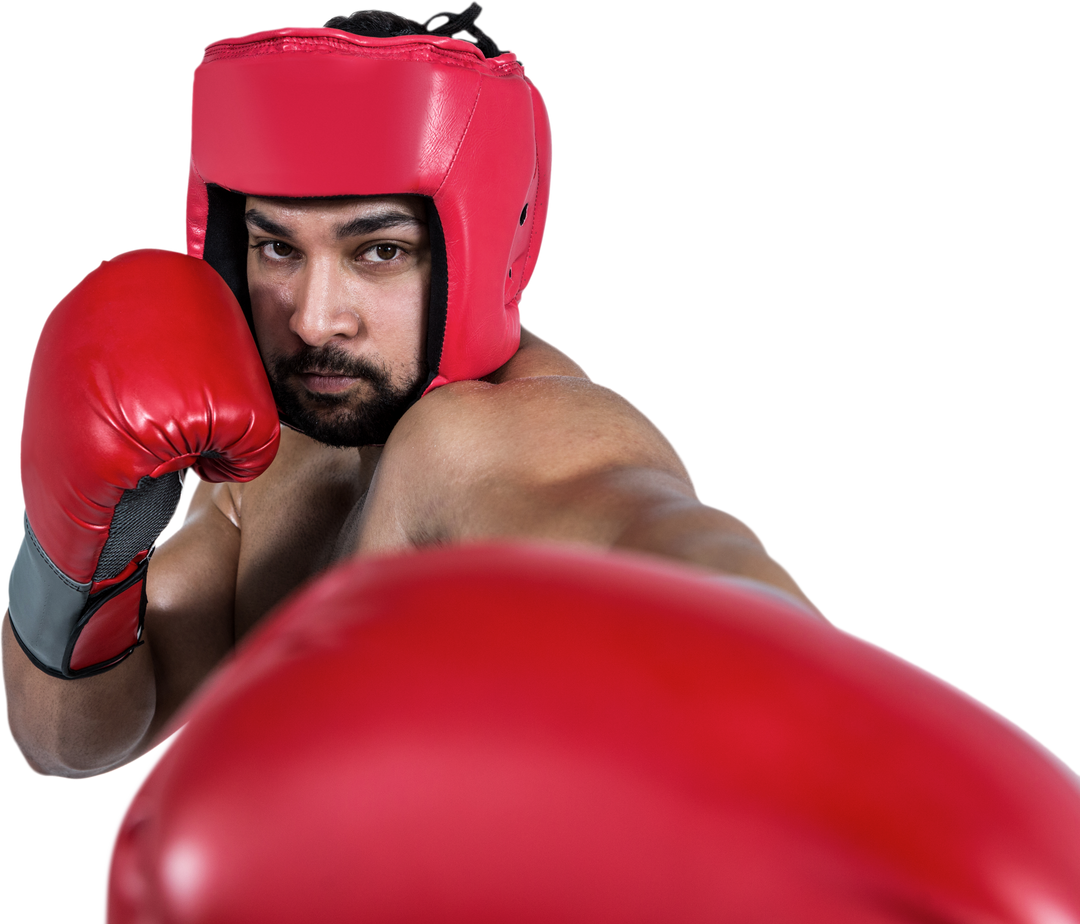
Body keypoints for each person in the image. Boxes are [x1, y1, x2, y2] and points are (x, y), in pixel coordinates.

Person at [3, 4, 823, 782]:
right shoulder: (271, 452)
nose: (316, 320)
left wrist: (839, 702)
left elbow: (681, 558)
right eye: (277, 249)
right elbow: (74, 742)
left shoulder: (497, 439)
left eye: (380, 252)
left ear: (480, 252)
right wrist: (80, 560)